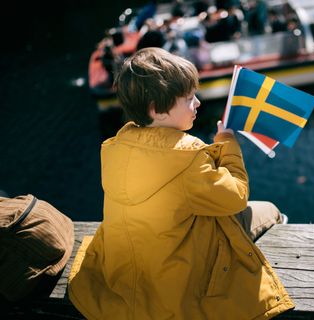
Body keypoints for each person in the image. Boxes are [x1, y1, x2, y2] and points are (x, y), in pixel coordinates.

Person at [68, 47, 294, 319]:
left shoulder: (114, 147)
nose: (198, 102)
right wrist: (228, 144)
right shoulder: (188, 157)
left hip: (125, 274)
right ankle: (282, 224)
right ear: (156, 109)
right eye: (188, 98)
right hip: (173, 283)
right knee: (269, 210)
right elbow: (236, 197)